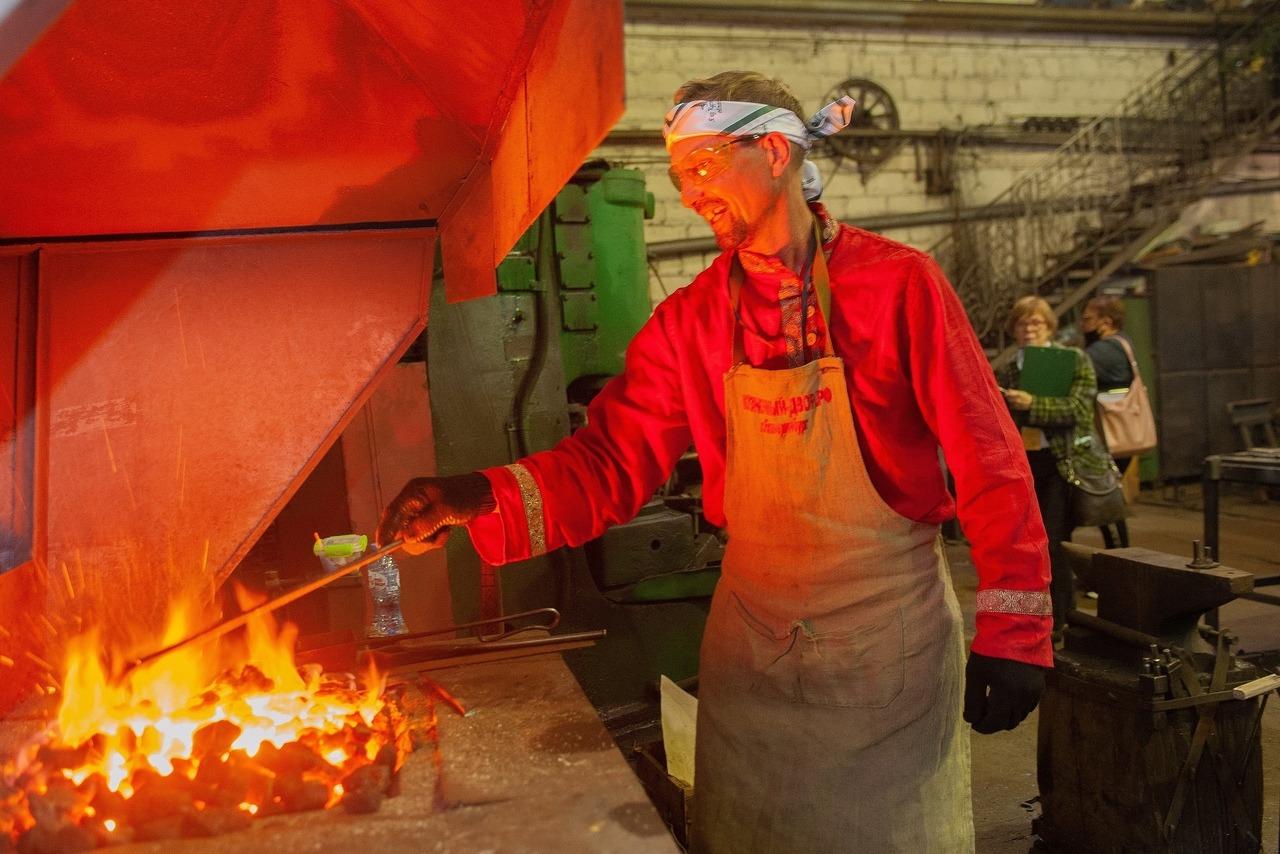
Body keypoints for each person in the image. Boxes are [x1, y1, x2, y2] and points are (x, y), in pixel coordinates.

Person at [379, 71, 1052, 853]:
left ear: (772, 150)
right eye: (678, 176)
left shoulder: (901, 286)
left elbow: (990, 458)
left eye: (702, 167)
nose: (689, 193)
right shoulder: (690, 321)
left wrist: (1016, 631)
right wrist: (471, 496)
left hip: (886, 644)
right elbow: (607, 462)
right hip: (754, 646)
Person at [998, 296, 1114, 634]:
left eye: (1036, 322)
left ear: (1049, 326)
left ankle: (1062, 618)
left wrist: (1033, 404)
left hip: (1061, 463)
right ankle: (1037, 615)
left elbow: (1078, 410)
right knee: (1025, 545)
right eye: (1022, 323)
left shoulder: (1072, 360)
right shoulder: (1009, 368)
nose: (1029, 329)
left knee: (1053, 542)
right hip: (1023, 465)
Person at [1081, 294, 1134, 548]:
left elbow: (1076, 367)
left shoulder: (1105, 349)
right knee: (1107, 494)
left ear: (1106, 321)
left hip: (1110, 432)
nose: (1083, 323)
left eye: (1088, 318)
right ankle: (1119, 552)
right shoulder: (1122, 343)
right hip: (1120, 429)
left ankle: (1119, 554)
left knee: (1105, 495)